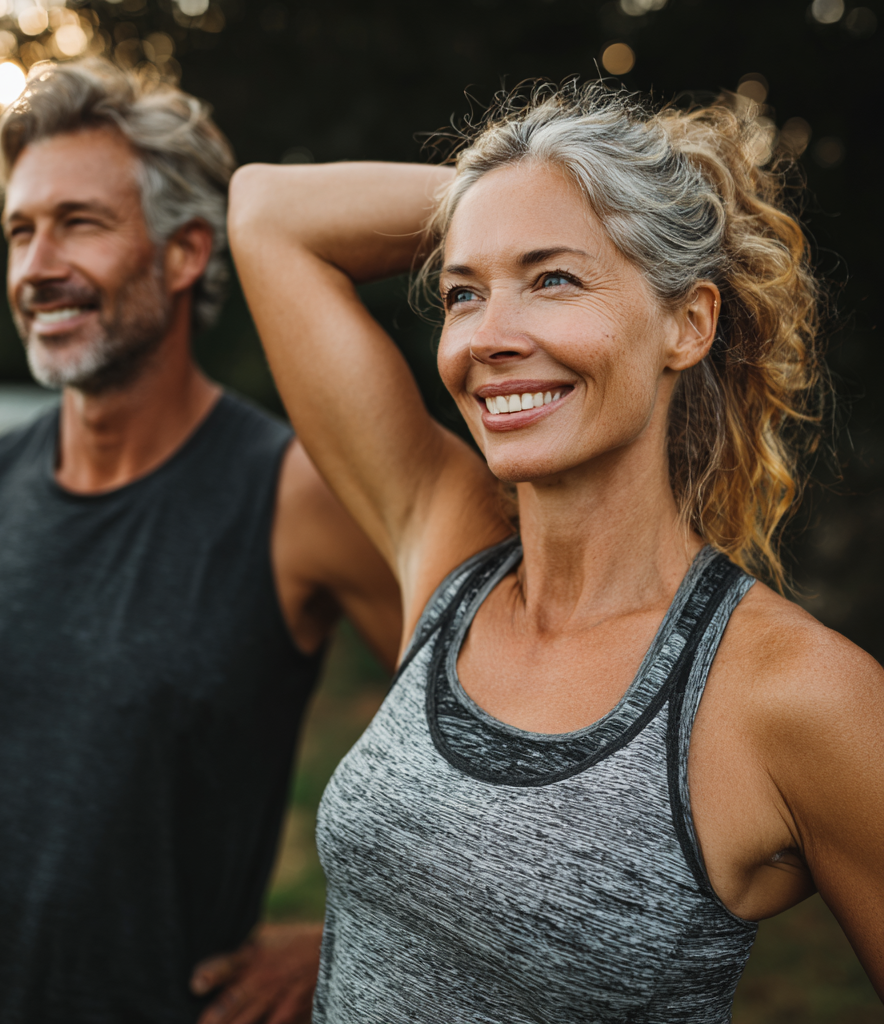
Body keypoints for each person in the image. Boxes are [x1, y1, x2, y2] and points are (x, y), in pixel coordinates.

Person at [228, 82, 884, 1021]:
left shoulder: (794, 694)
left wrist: (594, 195)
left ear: (687, 323)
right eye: (464, 293)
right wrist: (509, 192)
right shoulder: (449, 551)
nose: (488, 338)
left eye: (554, 279)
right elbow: (264, 210)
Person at [0, 59, 401, 1024]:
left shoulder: (294, 497)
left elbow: (499, 731)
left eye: (80, 223)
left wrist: (357, 938)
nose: (36, 268)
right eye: (21, 231)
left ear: (186, 254)